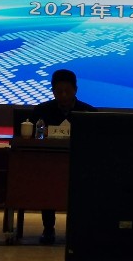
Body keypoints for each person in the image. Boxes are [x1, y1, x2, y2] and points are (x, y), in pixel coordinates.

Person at [31, 68, 96, 245]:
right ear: (53, 91)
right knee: (47, 184)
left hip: (80, 165)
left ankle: (77, 229)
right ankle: (48, 229)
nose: (64, 95)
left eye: (68, 91)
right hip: (49, 164)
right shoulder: (42, 111)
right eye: (59, 91)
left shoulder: (89, 112)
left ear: (76, 90)